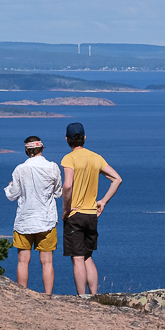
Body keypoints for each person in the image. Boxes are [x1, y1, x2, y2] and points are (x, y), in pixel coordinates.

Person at [59, 121, 122, 296]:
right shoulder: (96, 158)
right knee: (87, 256)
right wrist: (103, 201)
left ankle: (81, 297)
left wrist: (66, 209)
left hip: (75, 214)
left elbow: (68, 185)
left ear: (67, 139)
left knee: (77, 258)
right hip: (92, 214)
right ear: (84, 138)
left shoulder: (68, 159)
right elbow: (117, 179)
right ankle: (94, 296)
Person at [3, 134, 62, 294]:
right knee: (47, 262)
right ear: (42, 148)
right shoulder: (52, 167)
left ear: (26, 151)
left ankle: (23, 295)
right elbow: (58, 193)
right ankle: (48, 295)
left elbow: (12, 194)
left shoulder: (20, 169)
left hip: (24, 220)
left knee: (22, 261)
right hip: (46, 220)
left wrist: (10, 186)